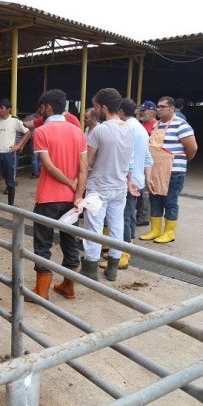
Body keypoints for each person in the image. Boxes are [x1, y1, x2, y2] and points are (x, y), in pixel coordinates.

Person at [24, 89, 88, 303]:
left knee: (43, 242)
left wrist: (69, 182)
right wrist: (77, 194)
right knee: (70, 240)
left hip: (49, 197)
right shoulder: (77, 131)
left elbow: (48, 166)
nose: (39, 112)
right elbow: (84, 168)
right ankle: (68, 287)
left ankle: (42, 290)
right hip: (72, 199)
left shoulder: (42, 131)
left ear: (48, 107)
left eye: (40, 108)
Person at [78, 88, 134, 282]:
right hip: (119, 187)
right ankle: (112, 268)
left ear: (103, 107)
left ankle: (91, 268)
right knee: (117, 226)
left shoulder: (99, 130)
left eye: (95, 107)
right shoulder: (130, 128)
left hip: (99, 187)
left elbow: (87, 161)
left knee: (93, 227)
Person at [100, 98, 153, 270]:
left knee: (123, 218)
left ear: (121, 112)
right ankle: (122, 250)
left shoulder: (127, 128)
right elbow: (147, 158)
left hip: (126, 179)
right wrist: (146, 178)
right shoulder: (141, 129)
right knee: (128, 216)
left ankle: (123, 254)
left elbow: (127, 157)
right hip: (136, 179)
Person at [139, 96, 197, 243]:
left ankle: (169, 232)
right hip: (156, 170)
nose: (158, 109)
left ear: (171, 108)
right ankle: (155, 230)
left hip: (174, 171)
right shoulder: (156, 125)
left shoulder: (181, 125)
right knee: (155, 200)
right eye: (158, 106)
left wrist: (180, 161)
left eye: (162, 107)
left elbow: (192, 148)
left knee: (170, 201)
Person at [0, 99, 30, 210]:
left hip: (9, 154)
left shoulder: (15, 121)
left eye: (2, 108)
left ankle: (10, 206)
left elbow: (27, 133)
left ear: (8, 110)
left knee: (10, 181)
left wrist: (18, 145)